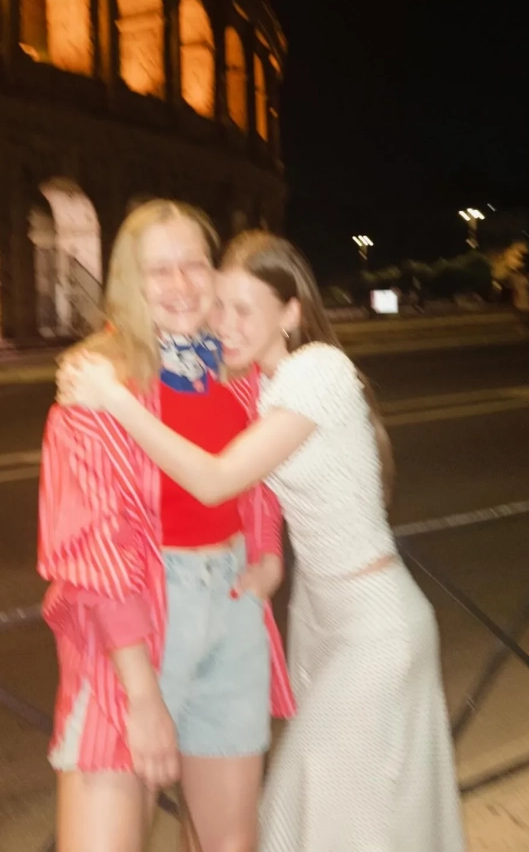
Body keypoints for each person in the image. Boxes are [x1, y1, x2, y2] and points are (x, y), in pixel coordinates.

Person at [58, 231, 466, 852]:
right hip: (316, 620)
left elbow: (218, 479)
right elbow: (256, 484)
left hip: (374, 626)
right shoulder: (257, 384)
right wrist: (270, 551)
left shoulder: (320, 370)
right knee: (354, 814)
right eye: (221, 305)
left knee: (308, 805)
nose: (226, 324)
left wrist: (112, 399)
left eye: (244, 309)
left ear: (292, 312)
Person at [38, 202, 294, 852]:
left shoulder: (236, 372)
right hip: (137, 629)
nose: (181, 284)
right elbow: (93, 548)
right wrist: (142, 693)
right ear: (130, 280)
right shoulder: (96, 387)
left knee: (228, 844)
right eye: (159, 270)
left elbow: (258, 476)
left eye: (194, 264)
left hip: (233, 611)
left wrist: (267, 552)